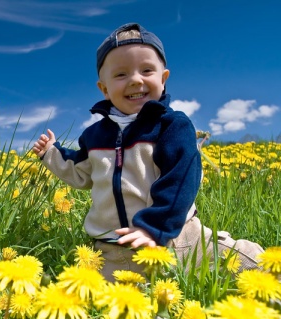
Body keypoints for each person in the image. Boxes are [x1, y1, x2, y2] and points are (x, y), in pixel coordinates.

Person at [32, 22, 263, 281]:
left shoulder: (172, 126)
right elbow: (81, 171)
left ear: (163, 79)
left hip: (179, 237)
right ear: (104, 88)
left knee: (251, 266)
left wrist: (155, 227)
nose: (135, 80)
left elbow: (180, 180)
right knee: (99, 297)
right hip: (114, 247)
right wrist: (50, 153)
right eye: (121, 75)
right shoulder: (95, 136)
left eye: (146, 70)